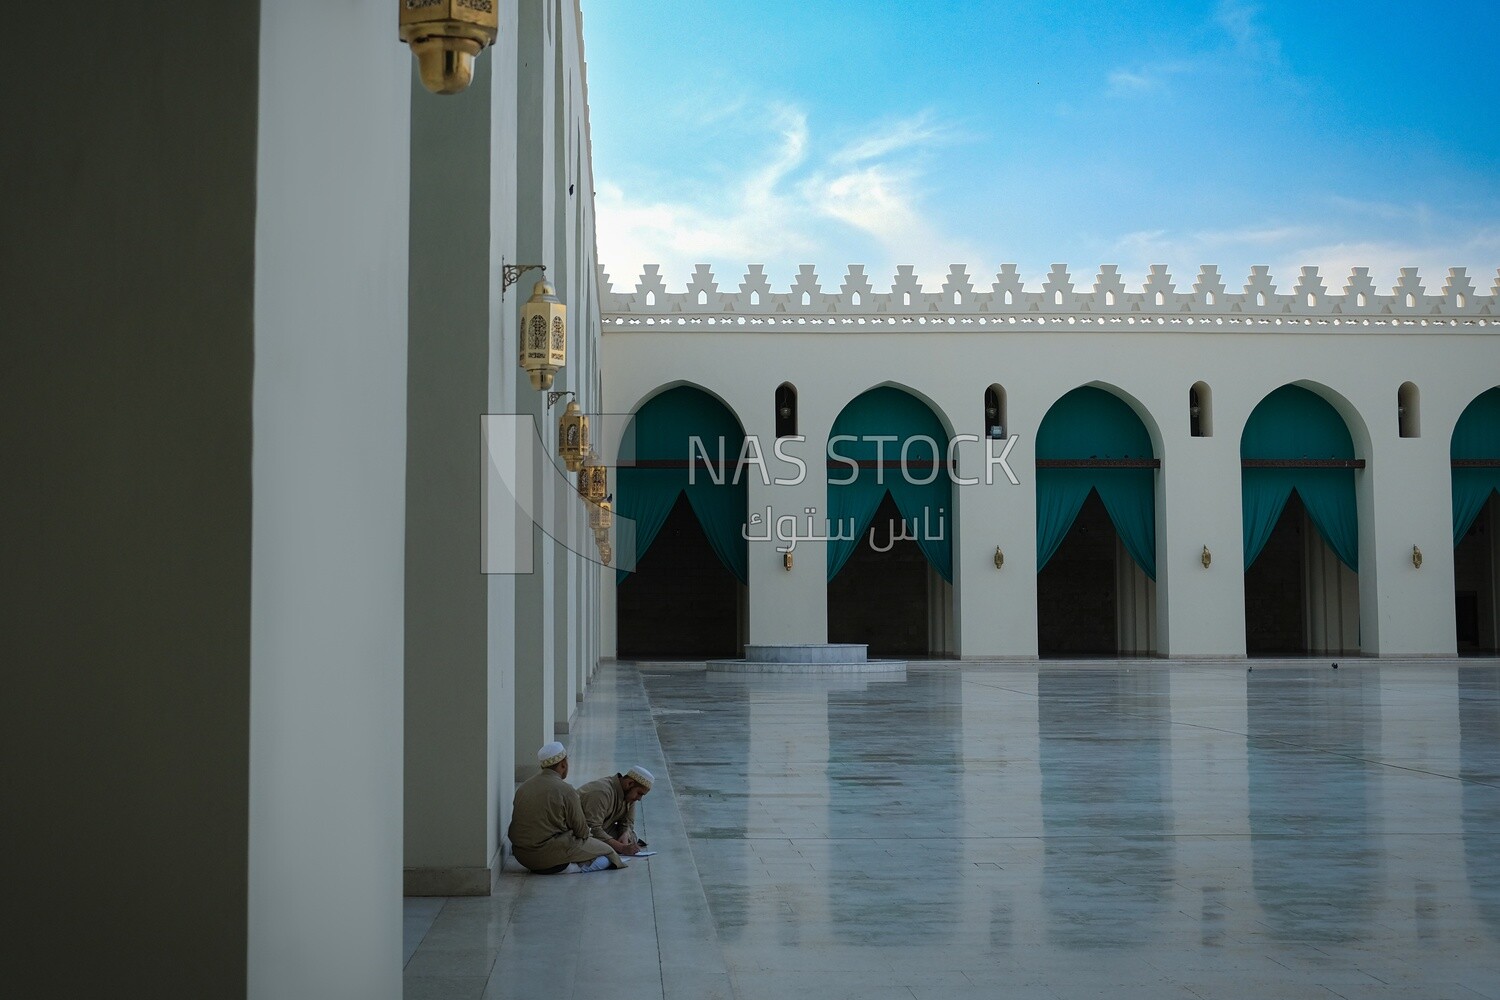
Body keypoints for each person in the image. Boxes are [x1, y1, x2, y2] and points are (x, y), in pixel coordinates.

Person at [507, 742, 625, 874]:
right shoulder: (566, 790)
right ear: (563, 764)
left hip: (521, 856)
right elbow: (582, 832)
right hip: (546, 858)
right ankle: (576, 867)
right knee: (609, 854)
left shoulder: (524, 786)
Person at [579, 766, 653, 856]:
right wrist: (622, 848)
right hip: (580, 833)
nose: (639, 799)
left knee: (631, 836)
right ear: (630, 783)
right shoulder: (602, 792)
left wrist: (625, 834)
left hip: (603, 829)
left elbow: (628, 822)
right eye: (639, 793)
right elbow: (592, 829)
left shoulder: (629, 795)